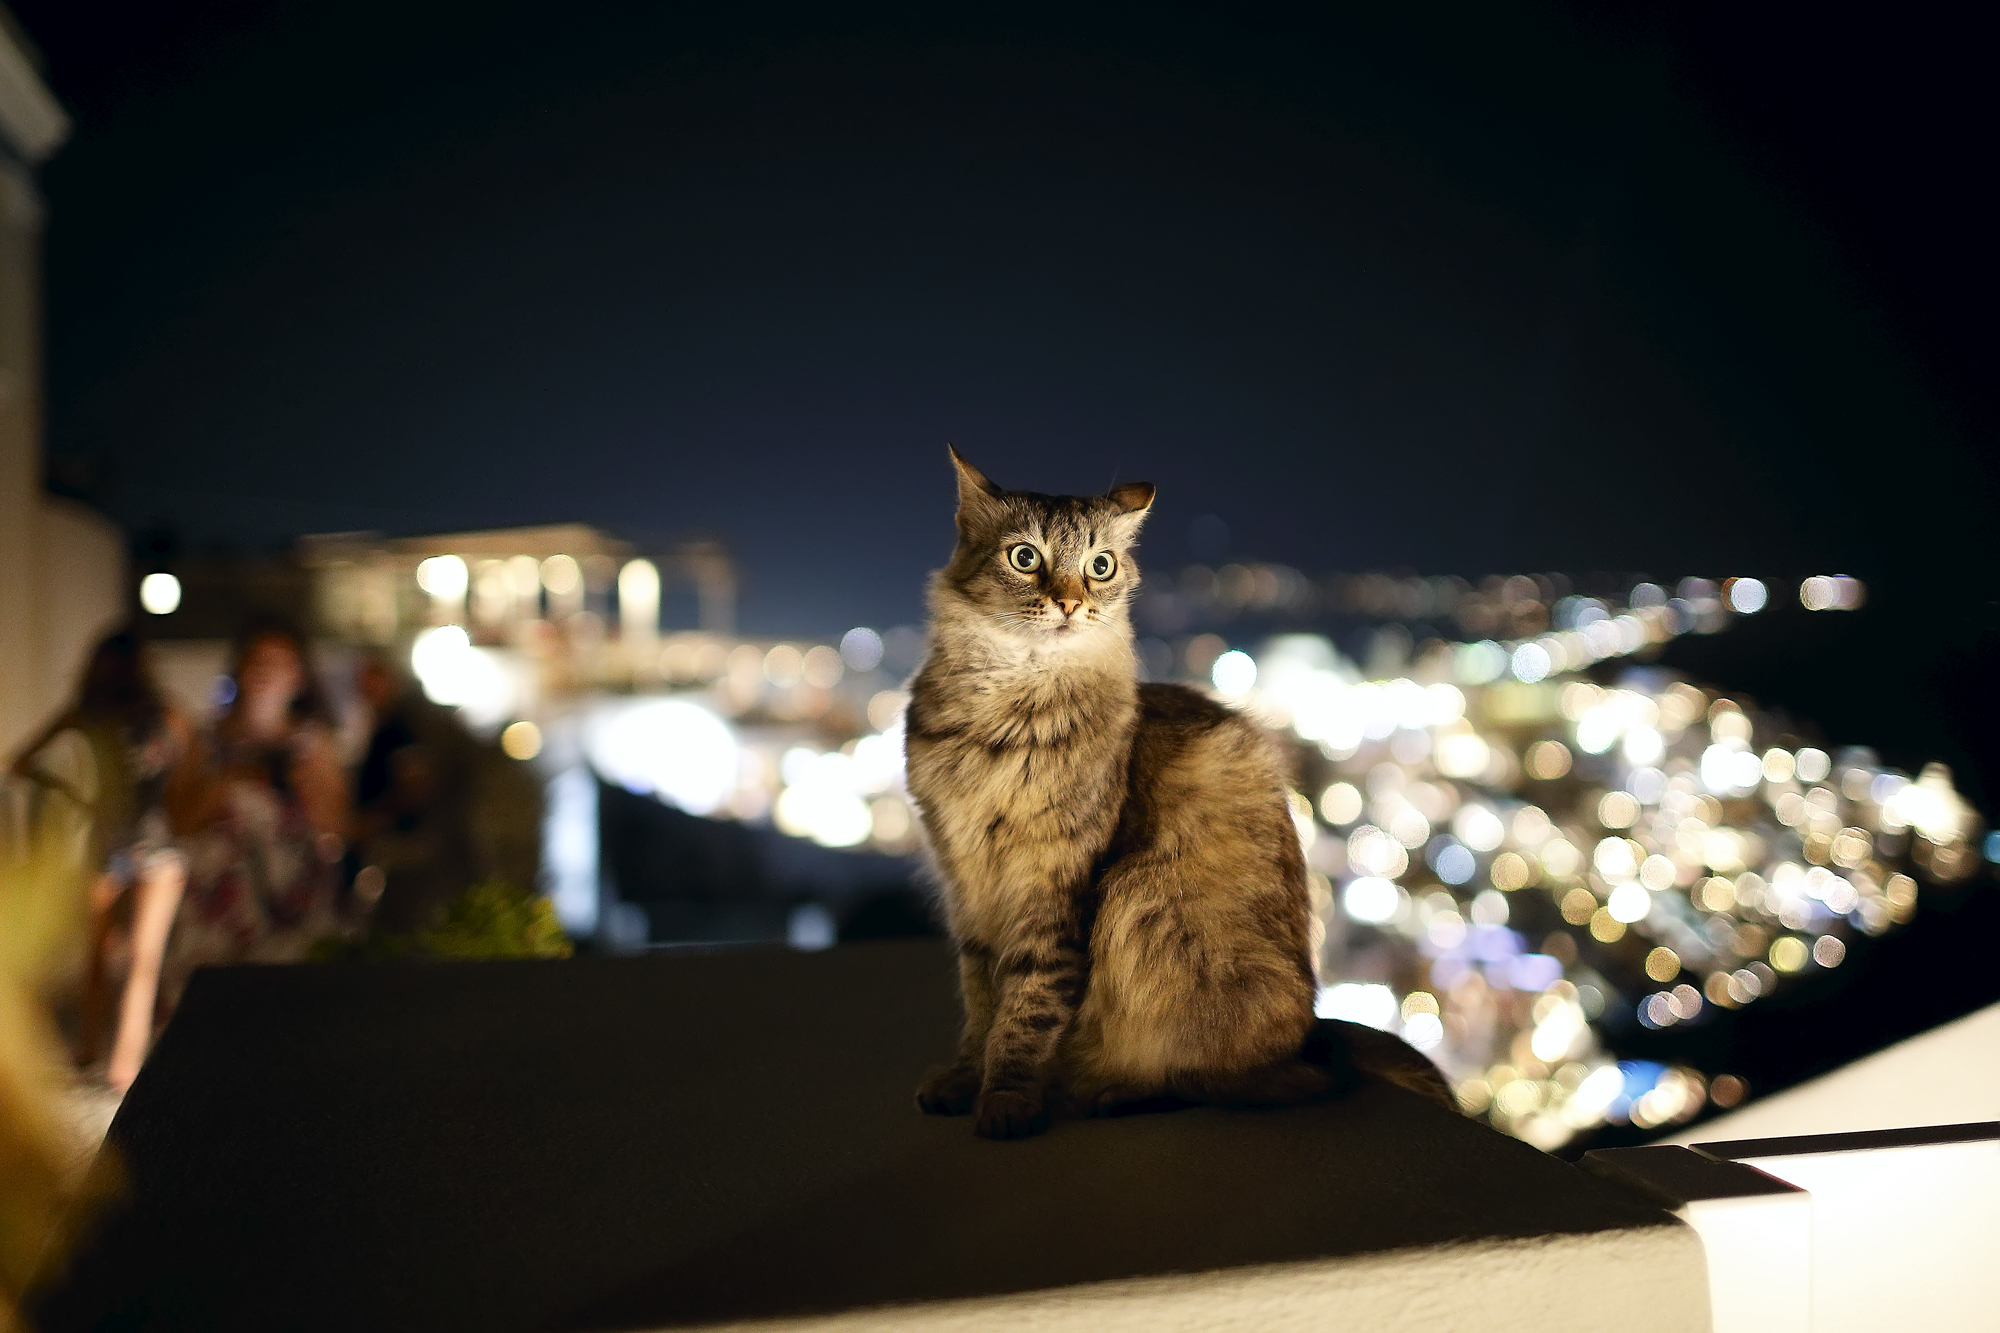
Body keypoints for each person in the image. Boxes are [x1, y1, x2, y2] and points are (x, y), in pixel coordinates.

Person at [9, 630, 190, 1092]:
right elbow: (192, 770)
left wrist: (78, 799)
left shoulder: (90, 712)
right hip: (151, 842)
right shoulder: (161, 713)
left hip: (116, 845)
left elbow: (21, 762)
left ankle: (95, 1052)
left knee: (104, 957)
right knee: (138, 959)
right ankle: (120, 1063)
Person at [161, 620, 350, 1006]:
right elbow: (179, 822)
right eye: (257, 662)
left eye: (278, 663)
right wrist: (230, 780)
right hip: (215, 906)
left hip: (289, 903)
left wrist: (304, 783)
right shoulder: (207, 740)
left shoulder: (312, 744)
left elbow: (336, 825)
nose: (265, 673)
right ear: (239, 669)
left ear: (299, 677)